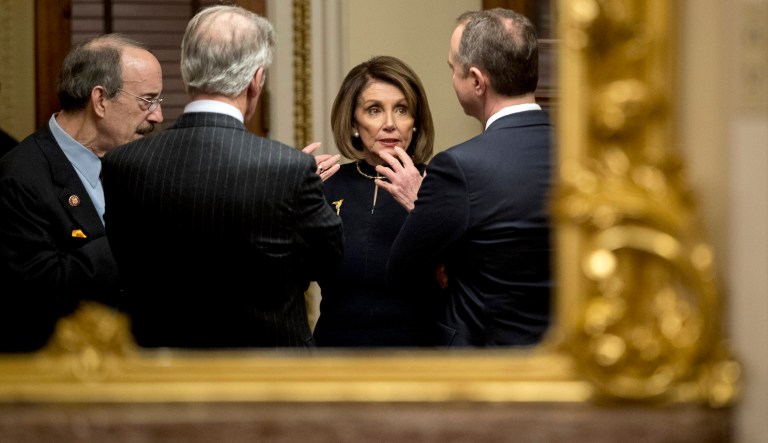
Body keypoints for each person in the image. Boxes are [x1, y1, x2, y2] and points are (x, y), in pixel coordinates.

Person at [102, 5, 343, 349]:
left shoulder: (123, 164)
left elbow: (125, 265)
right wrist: (293, 196)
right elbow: (330, 262)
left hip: (161, 376)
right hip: (268, 380)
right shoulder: (287, 169)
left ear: (187, 73)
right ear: (256, 79)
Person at [380, 8, 553, 347]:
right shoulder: (584, 156)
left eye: (452, 69)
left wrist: (422, 208)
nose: (452, 79)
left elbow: (402, 271)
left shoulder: (459, 167)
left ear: (476, 81)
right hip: (567, 359)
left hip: (486, 362)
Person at [0, 34, 164, 352]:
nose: (157, 116)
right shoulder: (20, 178)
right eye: (148, 101)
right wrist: (132, 233)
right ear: (100, 100)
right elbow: (39, 290)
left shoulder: (135, 162)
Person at [312, 55, 438, 347]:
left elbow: (460, 277)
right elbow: (293, 276)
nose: (390, 124)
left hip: (418, 357)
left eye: (402, 110)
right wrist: (293, 204)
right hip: (336, 355)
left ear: (415, 123)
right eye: (374, 110)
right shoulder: (328, 184)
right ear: (354, 122)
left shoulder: (440, 184)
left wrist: (422, 207)